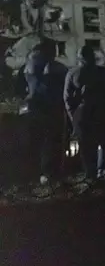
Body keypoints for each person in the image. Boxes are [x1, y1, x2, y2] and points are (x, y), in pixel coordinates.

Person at [64, 44, 105, 181]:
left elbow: (67, 99)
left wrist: (73, 117)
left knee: (87, 149)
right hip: (100, 114)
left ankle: (91, 177)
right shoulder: (103, 72)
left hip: (84, 115)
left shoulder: (73, 73)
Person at [24, 41, 67, 184]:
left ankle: (33, 175)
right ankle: (50, 174)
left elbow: (21, 87)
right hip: (52, 109)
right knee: (51, 142)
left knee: (35, 142)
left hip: (32, 108)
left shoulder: (28, 66)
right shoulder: (56, 67)